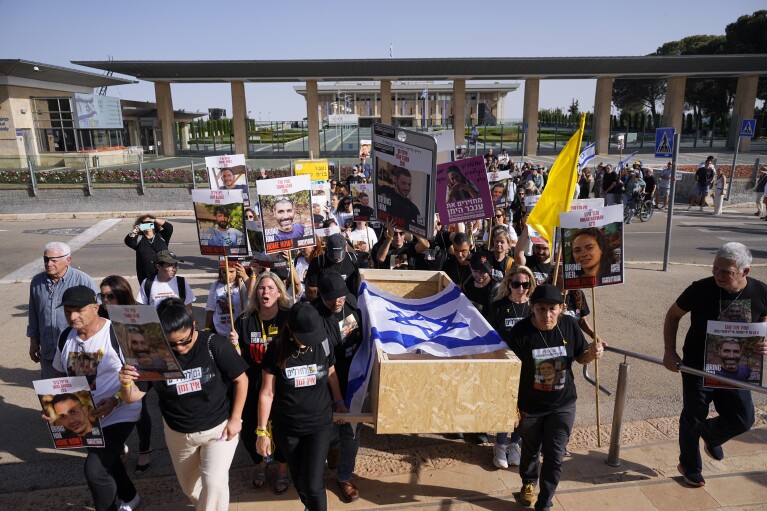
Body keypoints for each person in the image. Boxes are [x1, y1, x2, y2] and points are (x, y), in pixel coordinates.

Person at [119, 298, 248, 511]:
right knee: (191, 489)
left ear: (194, 325)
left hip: (219, 430)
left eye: (185, 341)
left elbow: (241, 379)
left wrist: (236, 418)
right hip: (178, 434)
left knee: (214, 484)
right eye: (172, 344)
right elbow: (133, 396)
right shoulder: (153, 355)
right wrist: (125, 384)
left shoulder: (214, 345)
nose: (180, 348)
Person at [663, 242, 767, 488]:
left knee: (743, 419)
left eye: (726, 271)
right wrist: (670, 351)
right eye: (715, 269)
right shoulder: (700, 289)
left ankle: (711, 435)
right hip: (698, 366)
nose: (718, 275)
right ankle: (690, 466)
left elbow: (764, 317)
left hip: (737, 368)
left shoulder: (760, 291)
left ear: (745, 272)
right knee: (693, 415)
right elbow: (673, 315)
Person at [507, 284, 603, 510]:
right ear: (532, 308)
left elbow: (580, 358)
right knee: (530, 451)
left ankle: (545, 502)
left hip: (563, 405)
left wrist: (592, 354)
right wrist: (512, 409)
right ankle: (529, 481)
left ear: (561, 308)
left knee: (555, 456)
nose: (547, 315)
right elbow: (511, 375)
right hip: (531, 406)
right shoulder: (520, 332)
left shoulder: (569, 325)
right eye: (541, 309)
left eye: (552, 309)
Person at [52, 285, 142, 511]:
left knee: (94, 469)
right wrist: (51, 408)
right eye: (68, 311)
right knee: (106, 461)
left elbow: (143, 381)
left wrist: (115, 400)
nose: (72, 317)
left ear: (96, 307)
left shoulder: (120, 333)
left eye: (79, 310)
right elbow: (60, 377)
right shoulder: (65, 338)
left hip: (121, 411)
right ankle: (130, 497)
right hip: (87, 418)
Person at [257, 302, 348, 511]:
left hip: (319, 425)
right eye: (303, 338)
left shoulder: (323, 343)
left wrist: (340, 402)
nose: (308, 343)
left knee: (314, 484)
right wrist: (261, 431)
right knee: (299, 479)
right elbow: (267, 392)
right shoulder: (276, 349)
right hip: (287, 428)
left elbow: (331, 373)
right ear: (290, 330)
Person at [231, 272, 292, 494]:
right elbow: (237, 361)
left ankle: (283, 468)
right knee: (251, 431)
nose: (265, 292)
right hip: (253, 386)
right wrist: (235, 346)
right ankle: (260, 463)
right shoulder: (245, 320)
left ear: (279, 292)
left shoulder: (288, 318)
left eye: (269, 288)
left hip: (281, 385)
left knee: (282, 429)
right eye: (261, 288)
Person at [313, 273, 364, 502]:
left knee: (351, 432)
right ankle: (332, 448)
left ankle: (344, 476)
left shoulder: (351, 302)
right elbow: (328, 365)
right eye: (331, 299)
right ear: (320, 296)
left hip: (355, 378)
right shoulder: (315, 317)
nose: (337, 302)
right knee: (332, 429)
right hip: (328, 380)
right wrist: (338, 401)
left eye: (340, 297)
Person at [97, 276, 154, 475]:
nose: (105, 301)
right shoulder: (101, 316)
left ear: (121, 295)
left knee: (138, 409)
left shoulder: (137, 313)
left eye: (110, 296)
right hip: (111, 368)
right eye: (102, 296)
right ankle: (119, 445)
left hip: (138, 367)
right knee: (109, 405)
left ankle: (145, 449)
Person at [486, 266, 536, 469]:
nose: (521, 289)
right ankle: (499, 444)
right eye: (516, 284)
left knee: (523, 407)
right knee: (505, 406)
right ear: (508, 284)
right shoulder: (498, 306)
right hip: (505, 366)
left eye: (525, 284)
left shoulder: (534, 307)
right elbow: (489, 335)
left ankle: (514, 443)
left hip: (528, 365)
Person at [28, 242, 97, 378]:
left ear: (68, 260)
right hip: (48, 350)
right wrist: (34, 341)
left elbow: (95, 315)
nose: (49, 264)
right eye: (46, 259)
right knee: (53, 395)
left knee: (81, 394)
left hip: (78, 350)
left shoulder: (83, 280)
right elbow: (34, 313)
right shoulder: (37, 282)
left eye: (54, 260)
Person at [304, 233, 360, 302]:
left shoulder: (353, 260)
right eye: (333, 255)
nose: (336, 258)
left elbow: (360, 284)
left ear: (345, 248)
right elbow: (311, 291)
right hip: (325, 303)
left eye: (339, 255)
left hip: (348, 302)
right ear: (327, 249)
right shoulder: (318, 263)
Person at [124, 215, 173, 285]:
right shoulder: (139, 240)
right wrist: (135, 230)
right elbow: (128, 241)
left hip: (163, 274)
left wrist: (154, 220)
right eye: (145, 224)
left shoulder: (162, 236)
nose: (147, 225)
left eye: (149, 223)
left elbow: (169, 227)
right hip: (146, 277)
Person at [204, 262, 249, 336]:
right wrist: (207, 330)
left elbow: (252, 294)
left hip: (237, 332)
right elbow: (210, 309)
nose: (228, 275)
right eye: (224, 272)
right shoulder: (215, 285)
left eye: (231, 271)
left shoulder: (242, 285)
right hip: (219, 331)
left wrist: (245, 276)